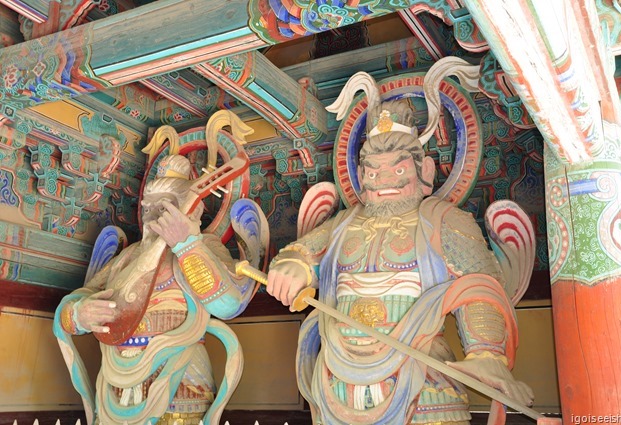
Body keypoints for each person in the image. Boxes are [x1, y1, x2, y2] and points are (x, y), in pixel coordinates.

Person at [266, 98, 534, 424]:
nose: (385, 180)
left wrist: (485, 353)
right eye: (374, 171)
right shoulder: (343, 224)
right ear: (361, 178)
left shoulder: (444, 220)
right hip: (337, 379)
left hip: (421, 377)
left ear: (425, 171)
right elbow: (302, 252)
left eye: (399, 168)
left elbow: (478, 286)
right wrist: (294, 266)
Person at [54, 154, 261, 425]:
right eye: (147, 207)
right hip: (116, 379)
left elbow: (229, 304)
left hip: (181, 377)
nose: (152, 217)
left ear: (191, 209)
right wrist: (79, 313)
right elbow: (84, 295)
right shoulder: (127, 258)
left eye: (163, 208)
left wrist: (187, 245)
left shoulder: (205, 247)